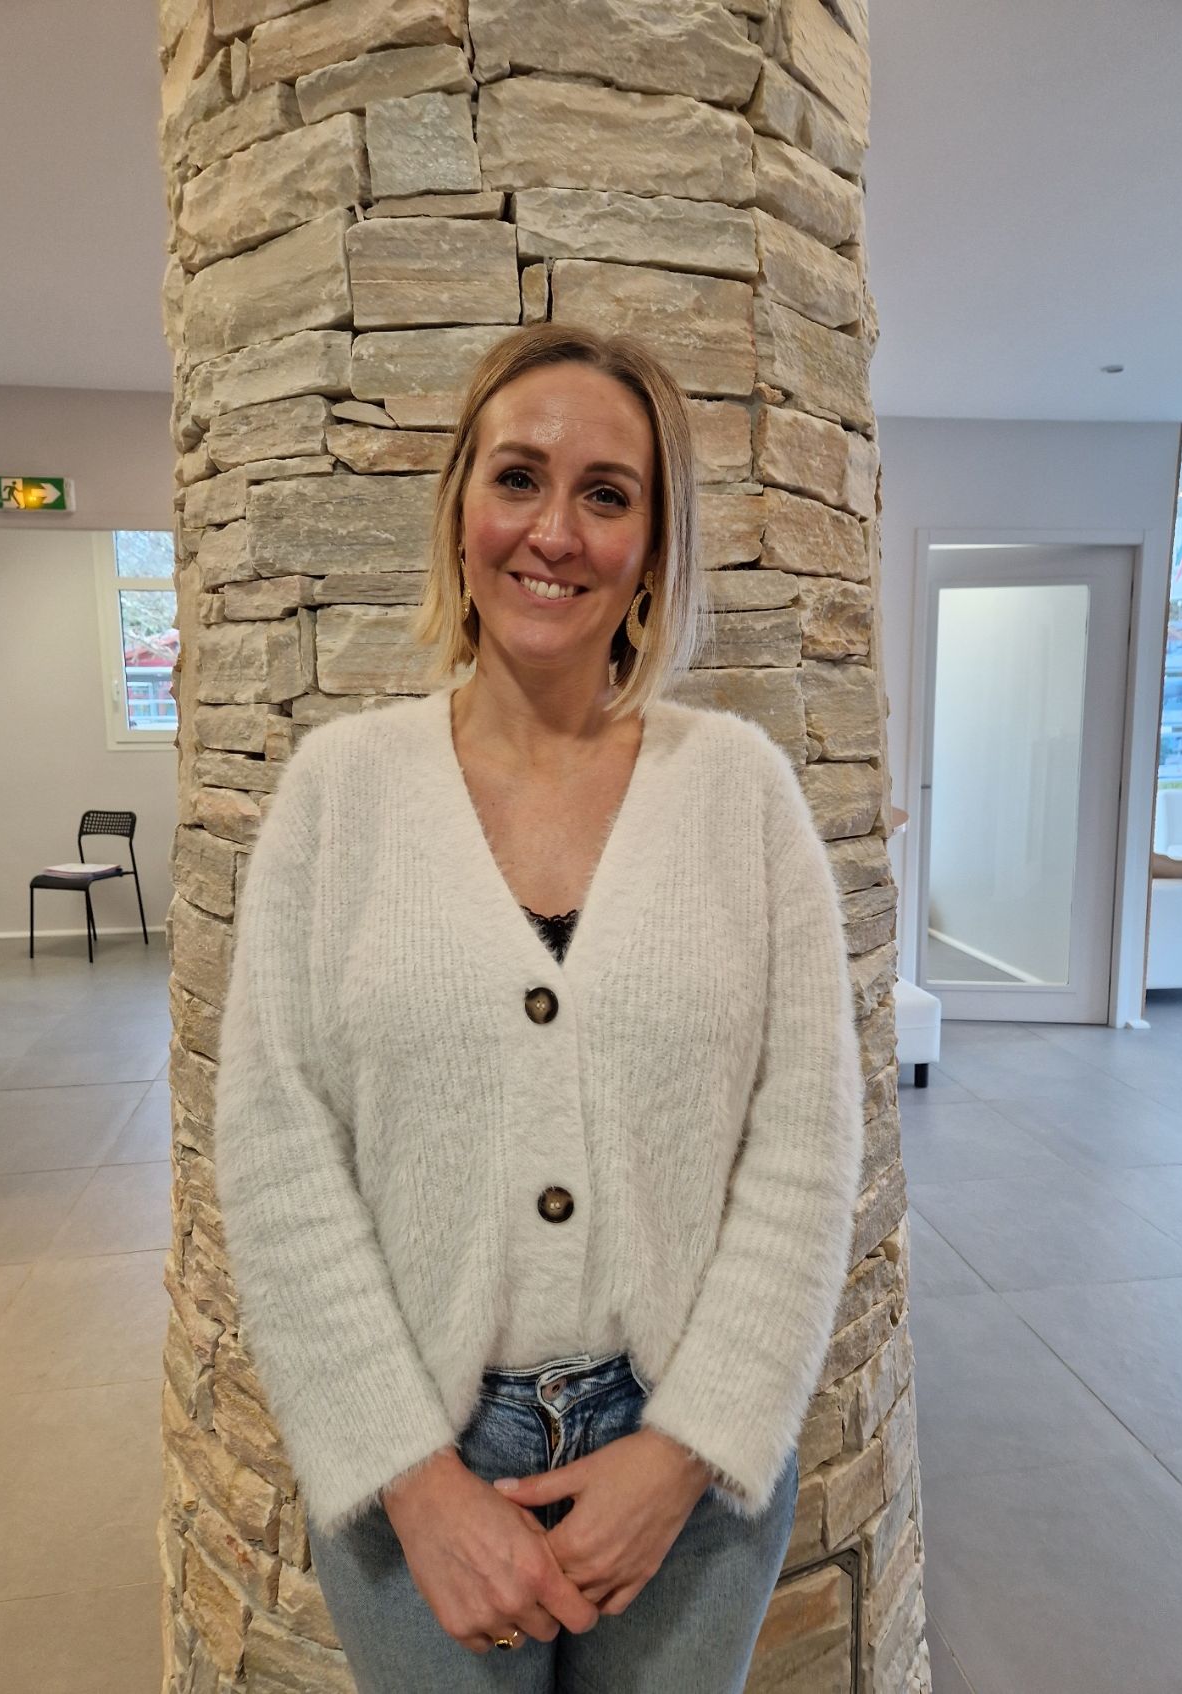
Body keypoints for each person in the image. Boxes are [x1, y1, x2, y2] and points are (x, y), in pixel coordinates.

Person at [212, 322, 866, 1692]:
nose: (554, 533)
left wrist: (686, 1448)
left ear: (654, 545)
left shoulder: (740, 791)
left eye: (606, 494)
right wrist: (412, 1478)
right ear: (461, 508)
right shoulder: (341, 793)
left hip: (687, 1466)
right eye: (518, 477)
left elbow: (806, 1143)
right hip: (421, 1462)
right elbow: (278, 1143)